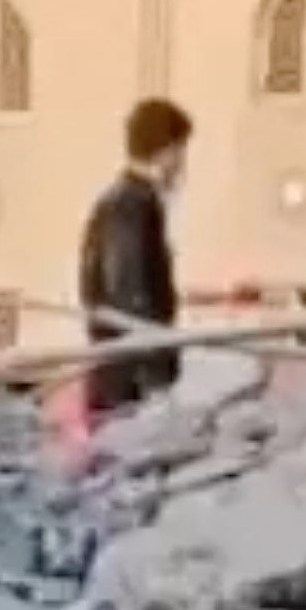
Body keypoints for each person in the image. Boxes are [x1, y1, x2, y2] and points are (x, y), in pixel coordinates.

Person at [79, 100, 196, 425]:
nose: (182, 164)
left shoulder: (122, 202)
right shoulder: (133, 205)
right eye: (180, 151)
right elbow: (130, 295)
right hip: (127, 387)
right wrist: (154, 376)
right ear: (165, 150)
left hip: (118, 378)